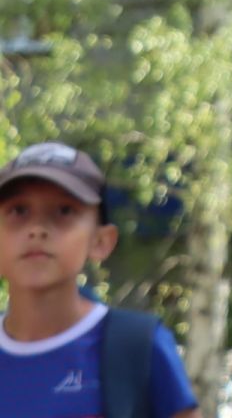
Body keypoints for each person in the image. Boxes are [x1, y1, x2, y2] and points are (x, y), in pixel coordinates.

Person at [0, 142, 199, 418]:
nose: (37, 229)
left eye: (64, 211)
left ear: (101, 242)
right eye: (18, 211)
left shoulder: (140, 346)